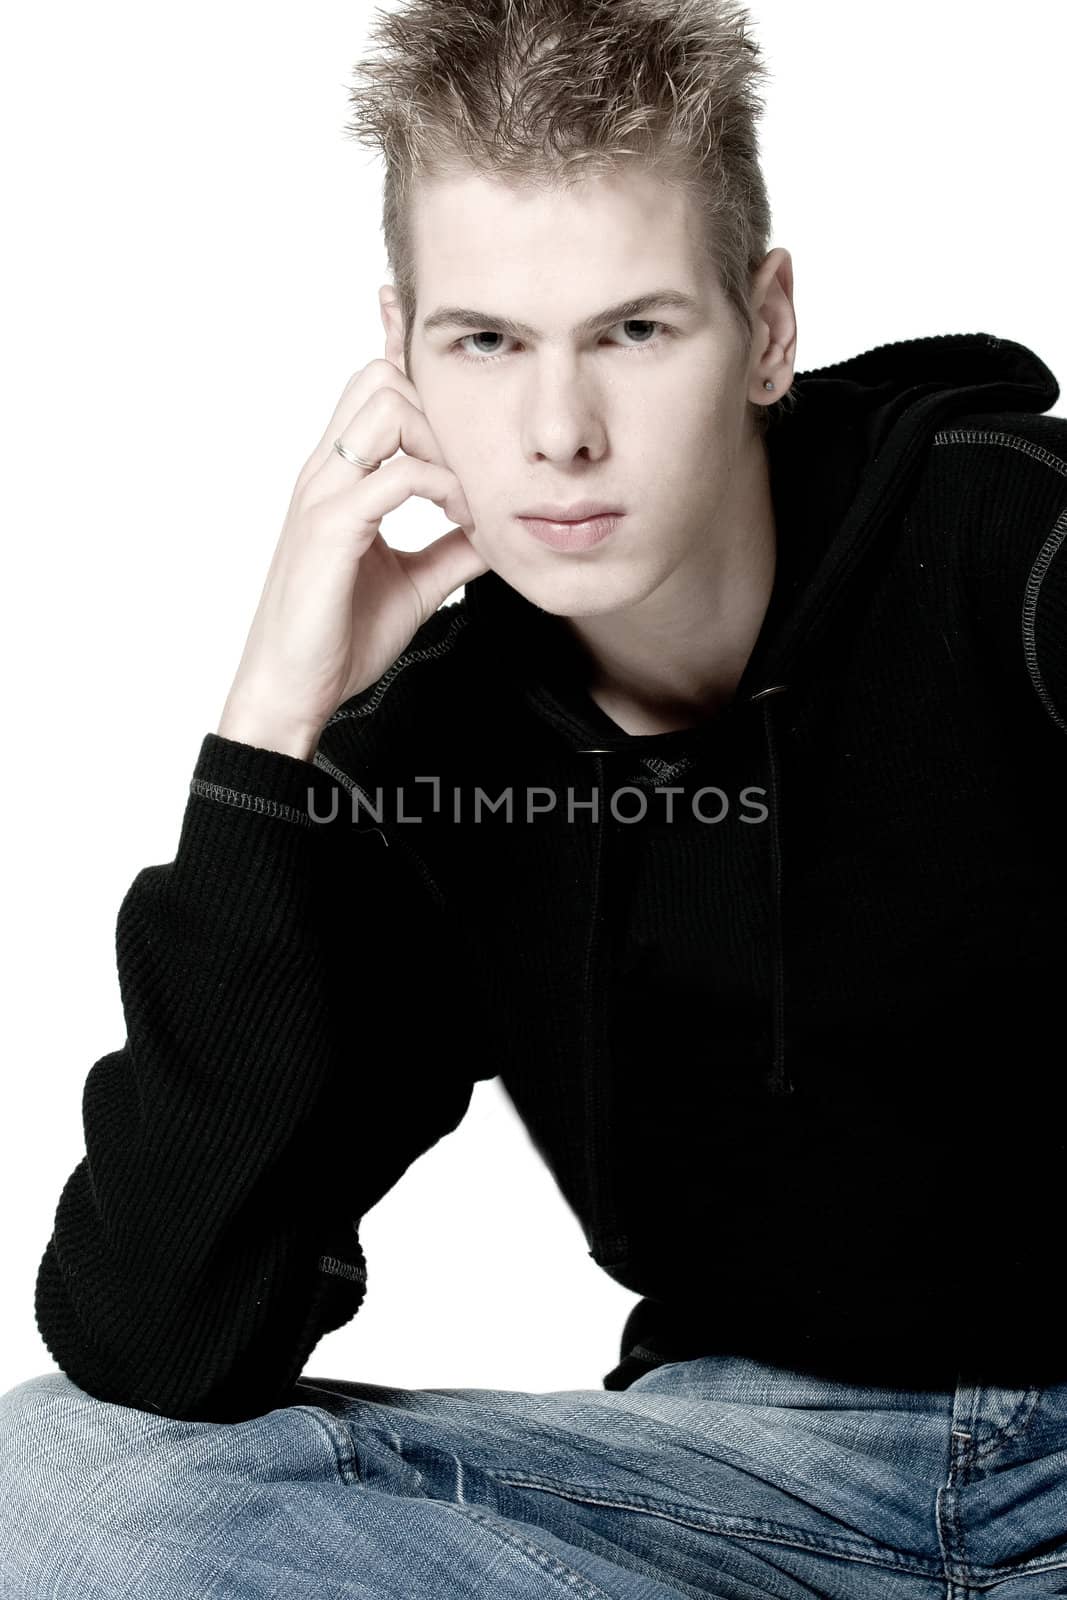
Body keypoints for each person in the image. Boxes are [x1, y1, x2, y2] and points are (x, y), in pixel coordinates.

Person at [3, 0, 1067, 1594]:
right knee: (57, 1479)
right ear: (403, 355)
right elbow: (158, 1338)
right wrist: (271, 730)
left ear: (766, 327)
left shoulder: (1022, 551)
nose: (560, 435)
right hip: (748, 1478)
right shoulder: (429, 753)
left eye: (635, 332)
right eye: (489, 342)